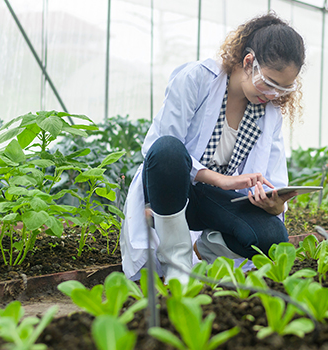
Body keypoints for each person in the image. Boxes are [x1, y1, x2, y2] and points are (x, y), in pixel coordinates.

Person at [120, 13, 305, 282]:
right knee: (168, 150)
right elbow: (156, 148)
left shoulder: (269, 111)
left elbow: (273, 178)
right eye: (269, 83)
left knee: (272, 238)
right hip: (171, 190)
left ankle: (204, 248)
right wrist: (222, 180)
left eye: (283, 89)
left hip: (213, 201)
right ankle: (177, 264)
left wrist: (275, 205)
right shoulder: (197, 79)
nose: (273, 96)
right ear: (249, 62)